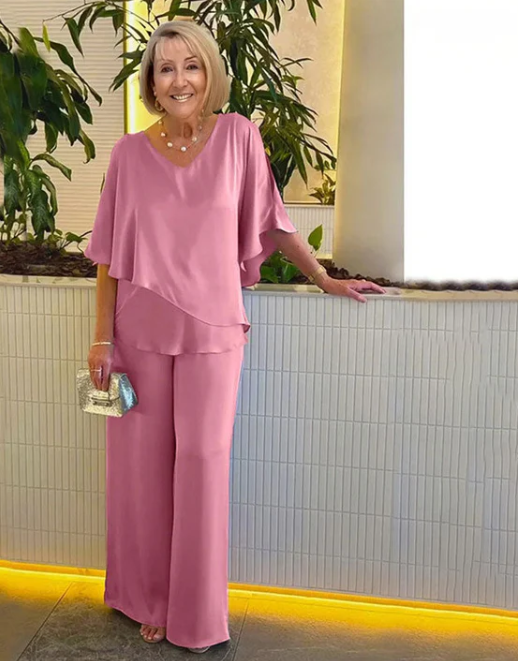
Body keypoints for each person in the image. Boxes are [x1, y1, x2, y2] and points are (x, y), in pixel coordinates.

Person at [84, 19, 385, 655]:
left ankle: (195, 611)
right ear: (151, 84)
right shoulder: (128, 154)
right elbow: (108, 254)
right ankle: (150, 600)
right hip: (139, 330)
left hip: (215, 327)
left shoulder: (239, 137)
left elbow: (272, 222)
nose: (179, 80)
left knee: (202, 461)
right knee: (142, 471)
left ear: (210, 74)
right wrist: (102, 339)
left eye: (190, 65)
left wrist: (324, 278)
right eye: (166, 69)